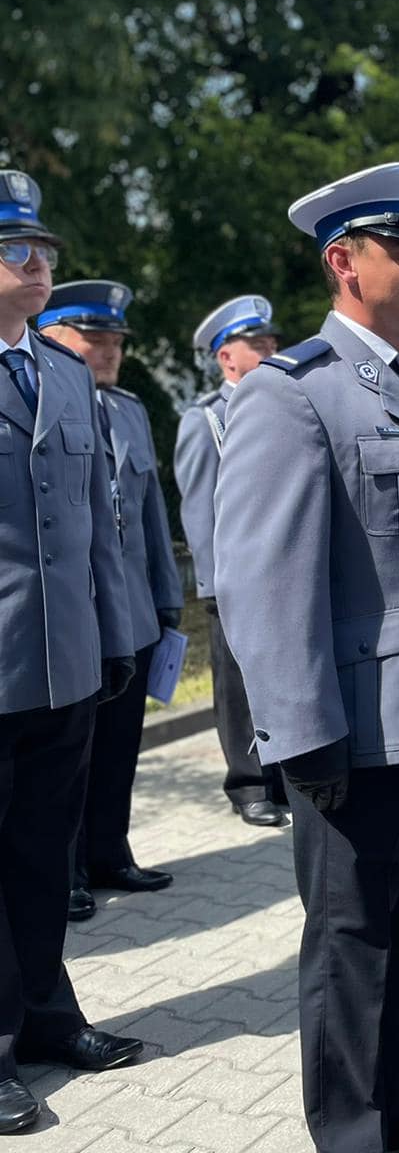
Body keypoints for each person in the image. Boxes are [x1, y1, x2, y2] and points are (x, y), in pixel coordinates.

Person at [213, 161, 399, 1153]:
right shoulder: (292, 393)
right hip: (354, 732)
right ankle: (352, 1134)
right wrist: (301, 739)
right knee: (352, 948)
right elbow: (263, 581)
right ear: (345, 262)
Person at [0, 170, 142, 1136]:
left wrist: (115, 633)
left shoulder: (61, 373)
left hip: (66, 663)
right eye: (17, 250)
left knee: (44, 854)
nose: (40, 264)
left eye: (44, 249)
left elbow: (97, 523)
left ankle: (48, 1015)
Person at [39, 281, 183, 918]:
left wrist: (167, 599)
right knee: (69, 754)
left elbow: (151, 514)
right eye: (95, 339)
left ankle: (109, 853)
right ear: (53, 337)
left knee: (121, 743)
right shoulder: (40, 401)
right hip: (73, 614)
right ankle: (65, 869)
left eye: (116, 341)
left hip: (132, 611)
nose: (110, 352)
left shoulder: (128, 410)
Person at [177, 295, 291, 829]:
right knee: (239, 686)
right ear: (227, 357)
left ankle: (284, 775)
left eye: (272, 342)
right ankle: (248, 784)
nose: (270, 350)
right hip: (237, 581)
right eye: (258, 344)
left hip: (286, 573)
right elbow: (199, 509)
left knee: (285, 679)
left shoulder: (283, 405)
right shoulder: (206, 420)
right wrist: (215, 586)